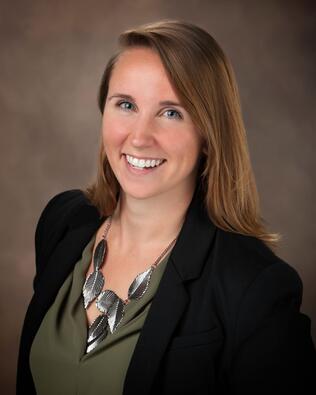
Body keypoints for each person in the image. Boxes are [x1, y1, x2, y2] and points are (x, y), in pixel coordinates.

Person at [17, 19, 316, 395]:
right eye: (126, 105)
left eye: (171, 112)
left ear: (209, 135)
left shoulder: (255, 287)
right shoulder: (63, 222)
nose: (139, 137)